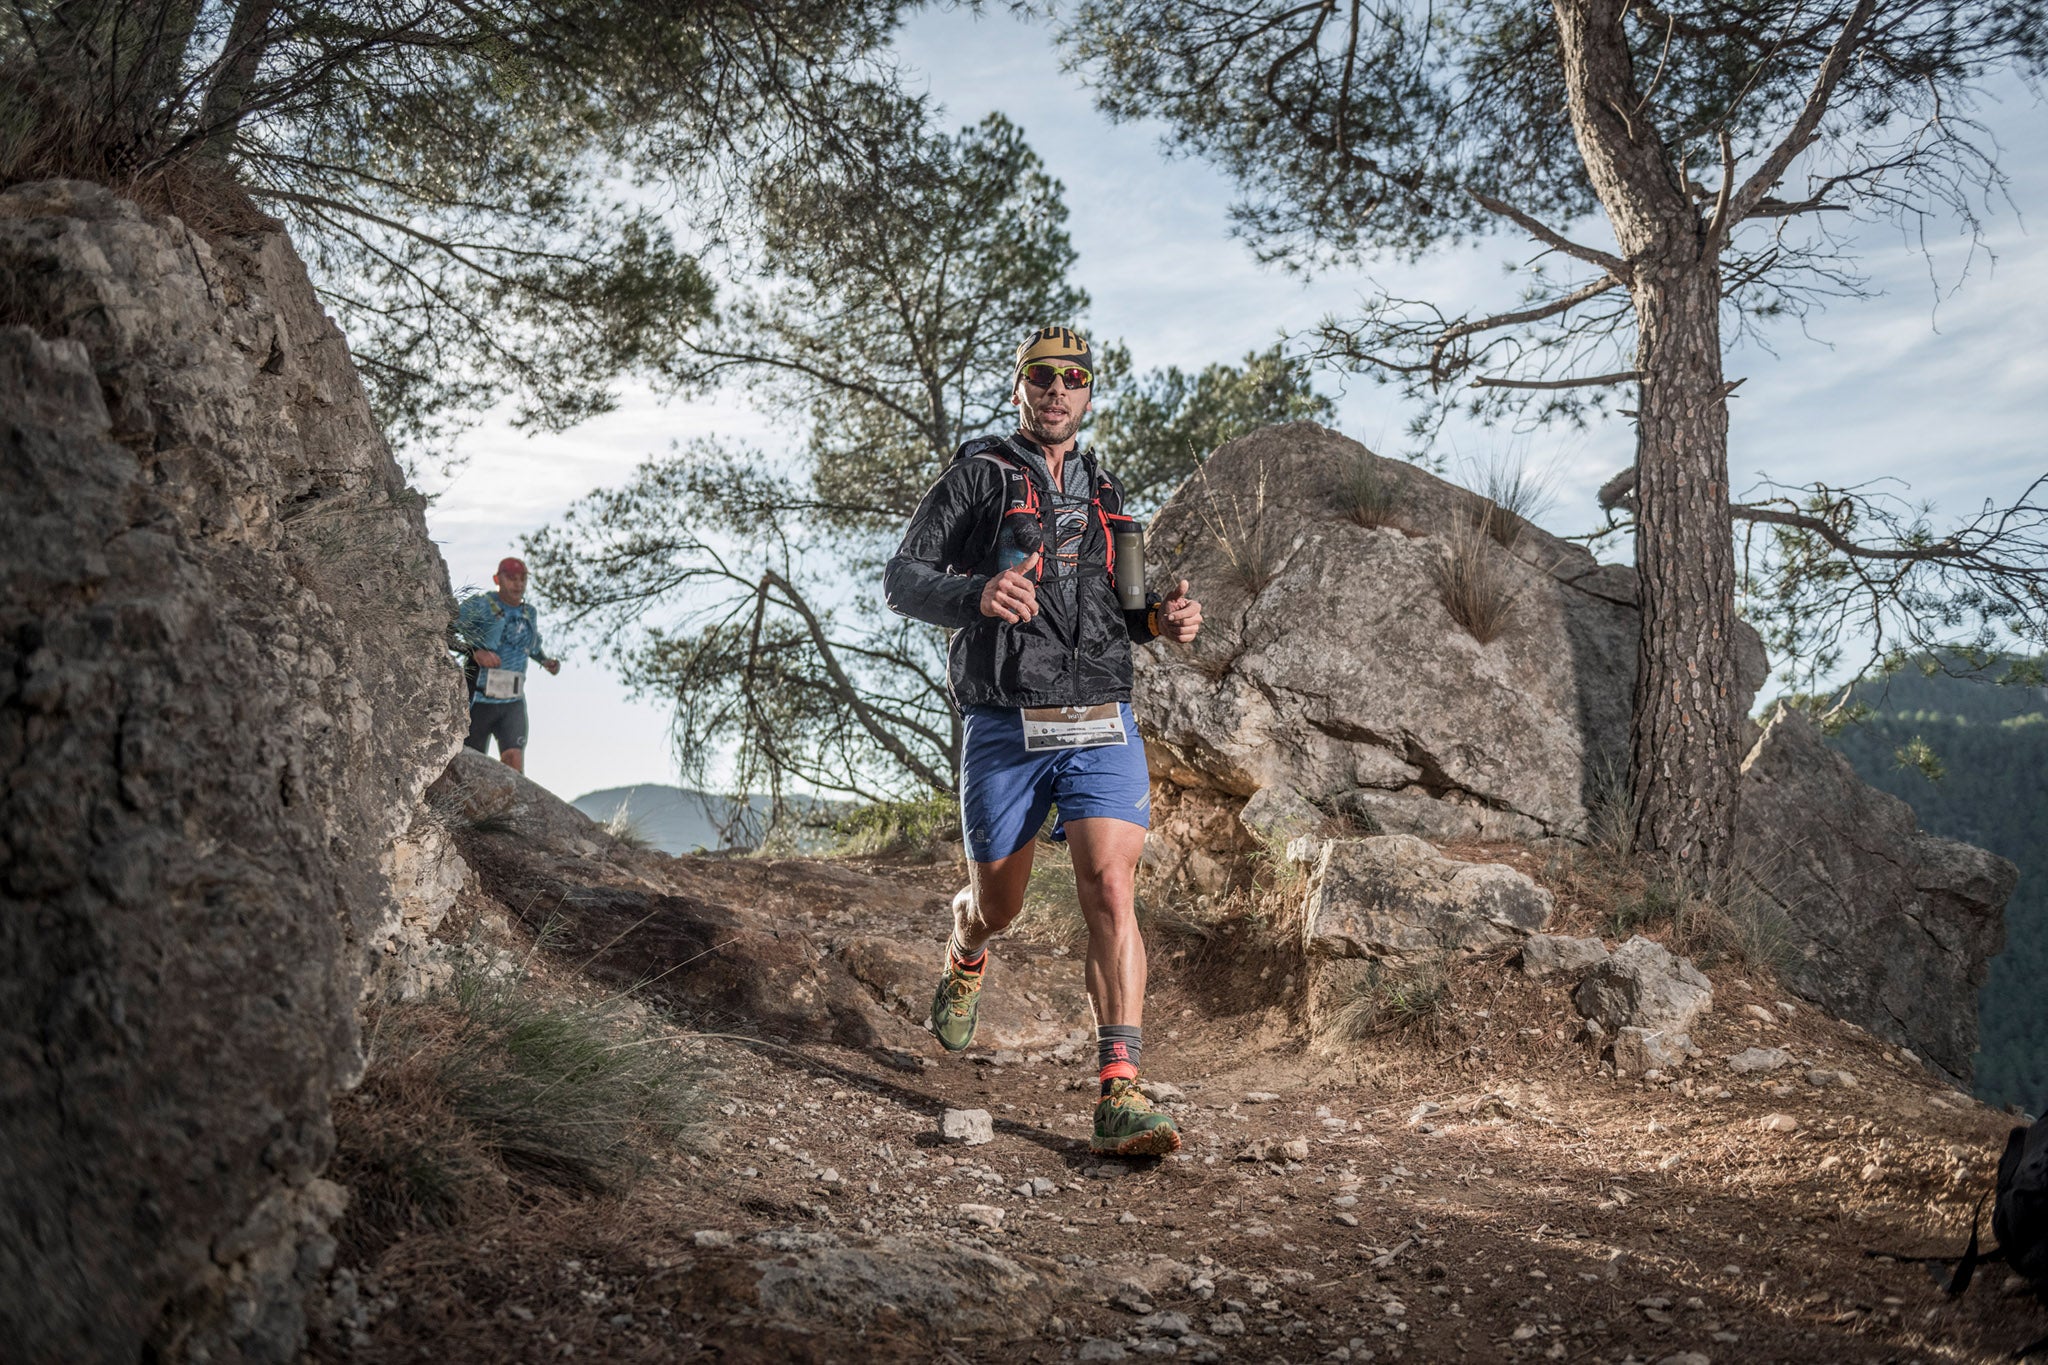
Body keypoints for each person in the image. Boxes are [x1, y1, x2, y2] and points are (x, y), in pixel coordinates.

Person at [884, 325, 1204, 1157]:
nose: (1058, 389)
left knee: (1109, 886)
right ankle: (966, 948)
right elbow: (901, 577)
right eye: (1042, 376)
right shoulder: (979, 475)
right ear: (1019, 388)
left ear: (1090, 393)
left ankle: (1119, 1091)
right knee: (1002, 903)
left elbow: (1130, 612)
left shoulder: (1107, 492)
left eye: (1073, 377)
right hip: (1006, 718)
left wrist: (1163, 623)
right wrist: (975, 593)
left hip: (1101, 715)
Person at [452, 557, 560, 773]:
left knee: (514, 763)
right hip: (479, 701)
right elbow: (445, 630)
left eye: (522, 579)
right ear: (497, 579)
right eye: (511, 579)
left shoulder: (529, 613)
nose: (518, 584)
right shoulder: (481, 605)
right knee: (471, 767)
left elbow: (531, 646)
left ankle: (513, 808)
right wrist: (475, 653)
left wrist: (545, 661)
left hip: (513, 703)